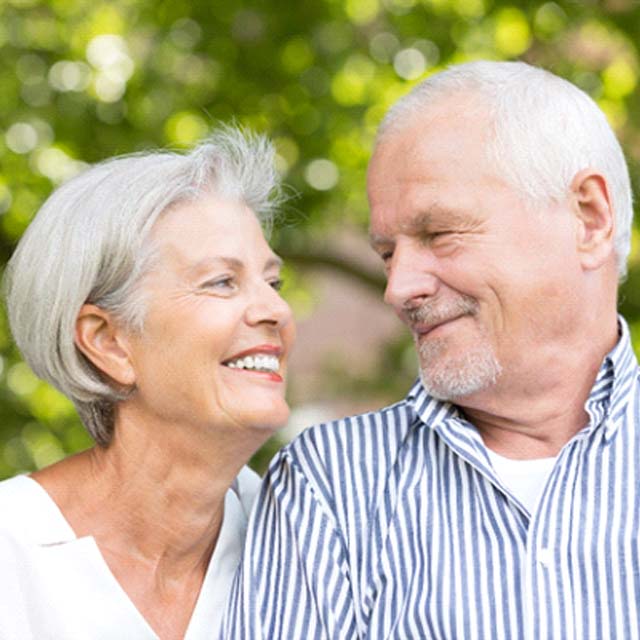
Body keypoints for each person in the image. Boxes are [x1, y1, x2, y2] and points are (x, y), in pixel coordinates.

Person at [222, 61, 640, 639]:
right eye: (388, 254)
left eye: (439, 234)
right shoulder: (333, 487)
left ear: (589, 219)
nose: (399, 289)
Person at [0, 126, 295, 640]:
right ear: (109, 342)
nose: (276, 310)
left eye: (272, 282)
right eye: (222, 282)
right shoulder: (12, 551)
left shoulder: (308, 539)